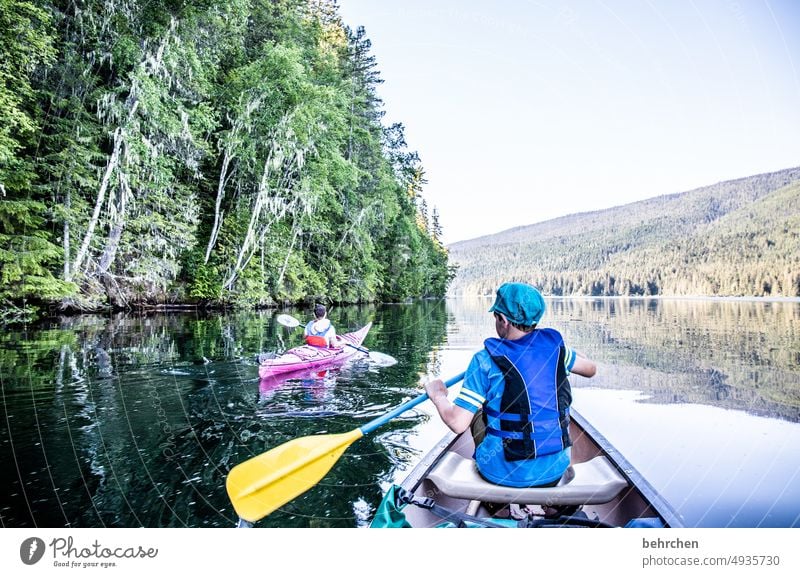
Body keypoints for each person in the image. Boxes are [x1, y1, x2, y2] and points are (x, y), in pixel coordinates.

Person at [424, 282, 596, 490]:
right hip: (554, 472)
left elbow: (457, 423)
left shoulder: (484, 359)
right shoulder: (558, 351)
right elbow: (590, 369)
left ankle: (500, 507)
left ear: (503, 320)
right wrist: (562, 350)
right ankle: (553, 505)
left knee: (478, 412)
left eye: (495, 317)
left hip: (501, 476)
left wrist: (438, 395)